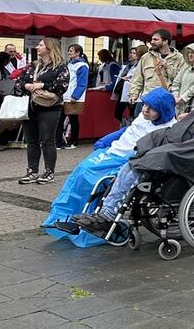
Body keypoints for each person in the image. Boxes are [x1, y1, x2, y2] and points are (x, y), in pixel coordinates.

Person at [75, 76, 194, 231]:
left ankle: (108, 214)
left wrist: (165, 149)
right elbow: (177, 131)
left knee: (146, 161)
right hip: (185, 150)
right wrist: (149, 142)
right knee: (134, 161)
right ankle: (107, 211)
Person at [44, 87, 176, 246]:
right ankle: (61, 216)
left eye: (151, 108)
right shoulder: (143, 117)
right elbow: (129, 130)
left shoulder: (167, 130)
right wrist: (106, 140)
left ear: (163, 111)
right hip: (113, 152)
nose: (145, 109)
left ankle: (93, 223)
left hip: (129, 159)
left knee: (90, 180)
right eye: (145, 104)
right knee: (79, 172)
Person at [14, 38, 69, 184]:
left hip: (50, 106)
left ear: (50, 48)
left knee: (47, 140)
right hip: (30, 106)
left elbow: (62, 86)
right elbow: (18, 82)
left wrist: (42, 85)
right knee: (31, 140)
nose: (37, 47)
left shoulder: (60, 66)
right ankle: (32, 171)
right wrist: (27, 86)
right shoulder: (33, 65)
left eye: (41, 45)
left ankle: (49, 172)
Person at [129, 29, 184, 107]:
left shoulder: (179, 58)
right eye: (152, 39)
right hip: (148, 100)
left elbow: (181, 80)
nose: (152, 42)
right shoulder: (146, 57)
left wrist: (167, 66)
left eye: (155, 39)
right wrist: (133, 94)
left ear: (165, 41)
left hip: (168, 101)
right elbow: (137, 78)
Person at [58, 44, 89, 149]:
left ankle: (73, 141)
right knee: (65, 118)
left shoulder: (82, 66)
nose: (69, 52)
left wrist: (75, 96)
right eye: (69, 50)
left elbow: (82, 83)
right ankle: (61, 141)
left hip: (73, 96)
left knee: (73, 119)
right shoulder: (70, 63)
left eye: (71, 51)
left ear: (78, 52)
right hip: (66, 94)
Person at [170, 43, 194, 114]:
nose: (190, 55)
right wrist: (175, 96)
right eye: (188, 52)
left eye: (193, 52)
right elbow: (176, 82)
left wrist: (183, 97)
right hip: (179, 105)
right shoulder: (186, 67)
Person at [113, 47, 141, 126]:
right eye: (131, 53)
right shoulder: (126, 66)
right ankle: (125, 125)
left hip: (132, 91)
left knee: (132, 113)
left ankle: (129, 126)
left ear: (138, 56)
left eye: (134, 53)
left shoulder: (139, 66)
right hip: (123, 91)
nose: (131, 55)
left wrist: (129, 77)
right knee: (117, 113)